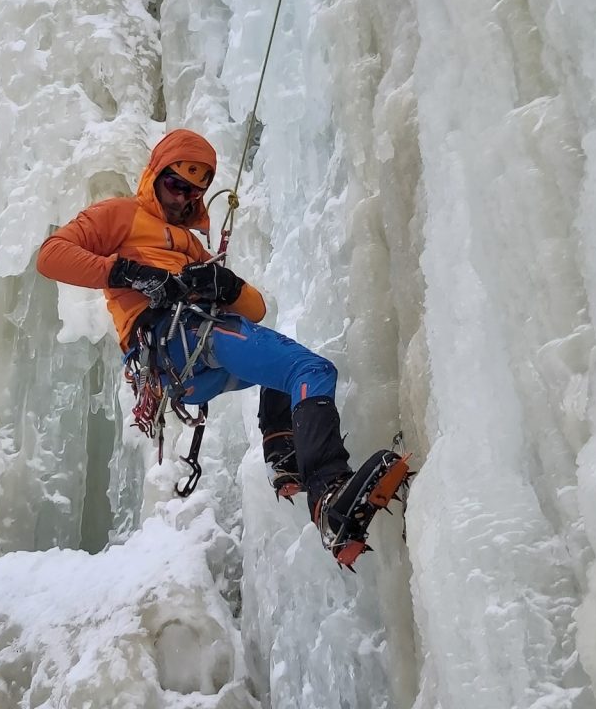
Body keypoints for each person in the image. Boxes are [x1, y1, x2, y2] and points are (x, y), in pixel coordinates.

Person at [36, 128, 409, 566]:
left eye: (193, 191)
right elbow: (52, 255)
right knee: (313, 372)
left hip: (188, 372)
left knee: (284, 371)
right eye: (175, 185)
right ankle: (327, 493)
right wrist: (129, 273)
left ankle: (285, 459)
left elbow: (255, 309)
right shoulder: (121, 215)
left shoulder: (193, 247)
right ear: (155, 176)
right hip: (176, 338)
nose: (182, 198)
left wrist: (225, 283)